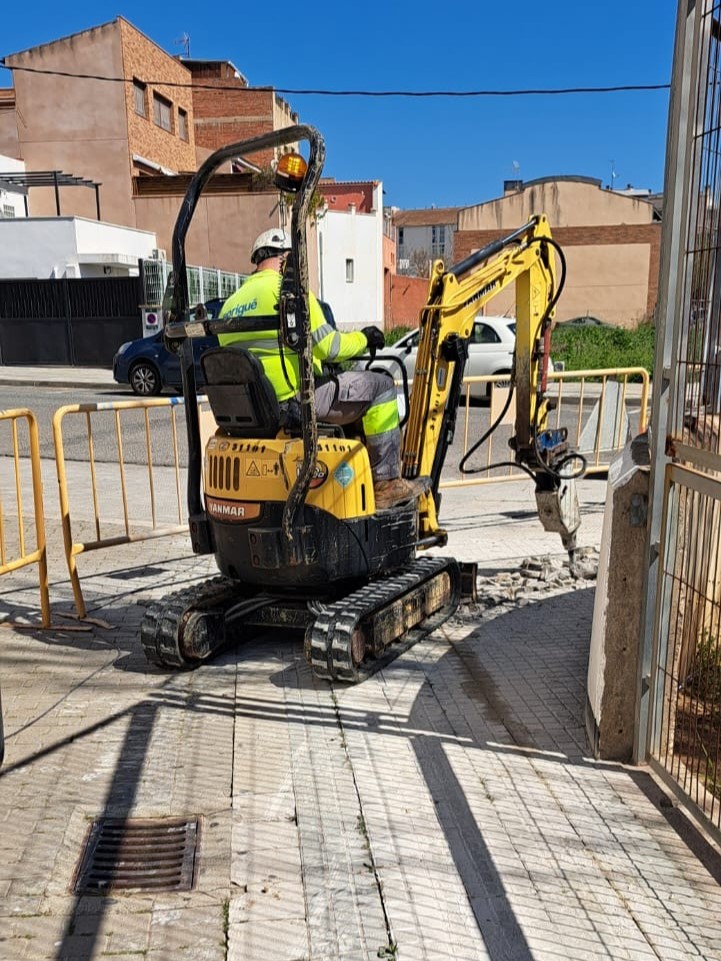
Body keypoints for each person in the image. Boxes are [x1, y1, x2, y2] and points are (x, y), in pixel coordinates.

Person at [218, 228, 429, 510]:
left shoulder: (229, 306)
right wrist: (366, 338)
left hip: (257, 408)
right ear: (285, 259)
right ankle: (387, 483)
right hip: (296, 401)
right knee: (382, 386)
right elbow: (329, 346)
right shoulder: (289, 293)